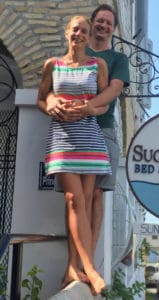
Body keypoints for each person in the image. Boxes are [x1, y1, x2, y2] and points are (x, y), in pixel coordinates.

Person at [45, 3, 130, 290]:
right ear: (90, 25)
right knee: (75, 199)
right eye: (100, 21)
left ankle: (87, 265)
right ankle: (74, 265)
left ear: (113, 30)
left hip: (101, 130)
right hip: (68, 134)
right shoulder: (74, 53)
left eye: (109, 23)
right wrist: (54, 104)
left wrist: (86, 108)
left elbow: (113, 90)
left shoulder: (116, 59)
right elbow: (48, 92)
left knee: (94, 196)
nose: (103, 26)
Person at [37, 15, 112, 295]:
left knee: (84, 203)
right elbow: (40, 99)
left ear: (89, 37)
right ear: (67, 32)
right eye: (75, 29)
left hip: (90, 140)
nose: (79, 34)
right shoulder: (52, 65)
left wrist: (92, 109)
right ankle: (91, 269)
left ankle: (74, 266)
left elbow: (103, 104)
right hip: (62, 140)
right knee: (73, 199)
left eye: (84, 30)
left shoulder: (98, 65)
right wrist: (51, 104)